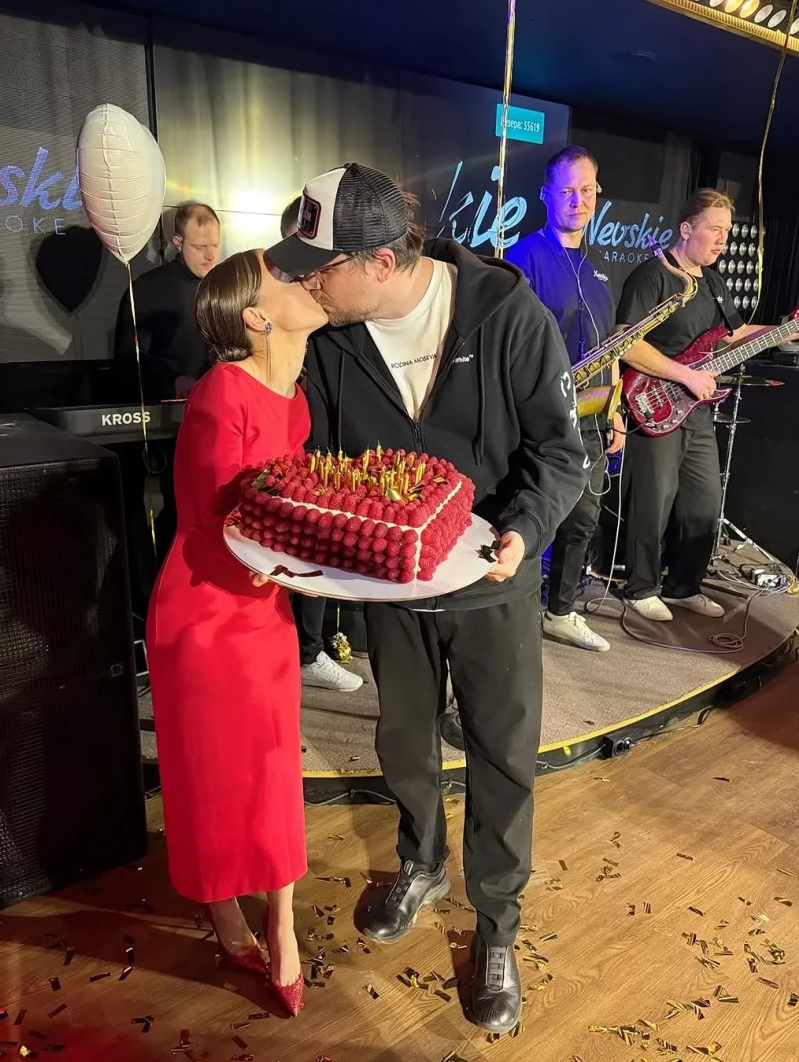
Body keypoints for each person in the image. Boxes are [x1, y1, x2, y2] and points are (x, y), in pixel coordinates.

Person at [266, 163, 588, 1034]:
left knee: (502, 758)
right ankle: (422, 861)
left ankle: (497, 923)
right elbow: (315, 463)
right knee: (404, 741)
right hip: (391, 587)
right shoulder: (332, 338)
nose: (308, 283)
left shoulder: (507, 316)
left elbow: (562, 454)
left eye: (320, 269)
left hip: (492, 586)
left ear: (379, 261)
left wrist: (524, 529)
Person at [146, 248, 329, 1017]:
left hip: (264, 609)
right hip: (205, 612)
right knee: (213, 777)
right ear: (256, 317)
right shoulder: (222, 390)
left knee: (274, 770)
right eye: (279, 277)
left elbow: (290, 507)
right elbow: (220, 523)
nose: (301, 278)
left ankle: (281, 923)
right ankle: (224, 911)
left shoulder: (297, 398)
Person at [618, 188, 799, 621]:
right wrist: (686, 375)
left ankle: (683, 587)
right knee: (653, 501)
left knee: (703, 502)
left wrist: (784, 332)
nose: (722, 239)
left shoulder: (714, 282)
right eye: (714, 230)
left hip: (696, 410)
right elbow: (626, 343)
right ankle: (641, 588)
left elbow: (732, 337)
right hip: (653, 400)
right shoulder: (653, 276)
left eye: (727, 231)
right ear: (686, 229)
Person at [509, 146, 623, 652]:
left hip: (593, 416)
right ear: (546, 195)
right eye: (568, 191)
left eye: (588, 190)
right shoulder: (522, 258)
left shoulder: (599, 266)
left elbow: (611, 345)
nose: (579, 200)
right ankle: (517, 613)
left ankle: (562, 611)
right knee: (531, 513)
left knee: (583, 518)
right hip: (540, 415)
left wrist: (616, 409)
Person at [280, 197, 362, 693]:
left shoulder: (343, 308)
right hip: (295, 441)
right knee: (304, 547)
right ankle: (307, 652)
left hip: (334, 442)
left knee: (331, 546)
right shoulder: (281, 298)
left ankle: (320, 643)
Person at [113, 202, 221, 561]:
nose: (210, 256)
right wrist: (173, 378)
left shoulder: (225, 288)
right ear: (177, 242)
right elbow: (128, 359)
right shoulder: (147, 289)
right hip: (166, 422)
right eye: (200, 247)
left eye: (215, 245)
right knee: (174, 508)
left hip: (217, 416)